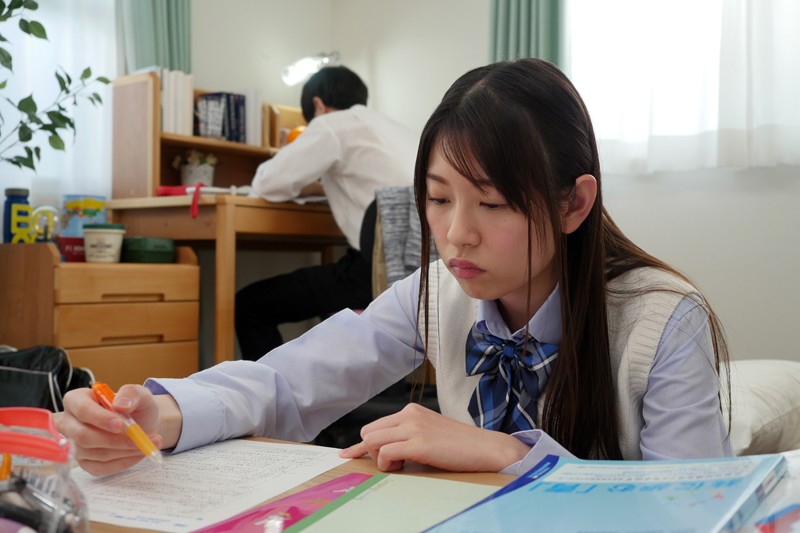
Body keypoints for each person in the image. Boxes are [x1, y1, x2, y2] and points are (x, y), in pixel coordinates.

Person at [56, 58, 732, 477]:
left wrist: (509, 454)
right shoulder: (437, 293)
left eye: (493, 203)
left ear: (573, 203)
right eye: (437, 199)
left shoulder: (662, 322)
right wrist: (162, 415)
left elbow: (695, 505)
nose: (456, 234)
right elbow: (290, 381)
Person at [236, 65, 417, 360]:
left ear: (318, 105)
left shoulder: (331, 124)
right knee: (326, 293)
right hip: (416, 276)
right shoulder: (394, 128)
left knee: (249, 305)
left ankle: (274, 391)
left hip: (375, 274)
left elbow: (266, 183)